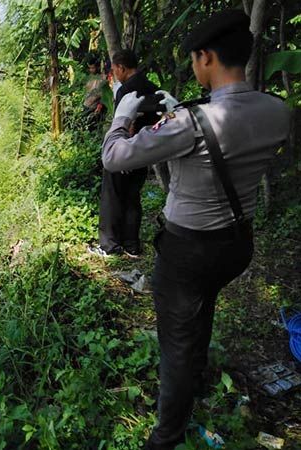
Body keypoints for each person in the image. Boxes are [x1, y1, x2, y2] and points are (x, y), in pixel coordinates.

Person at [101, 9, 290, 449]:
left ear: (206, 57)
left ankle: (166, 435)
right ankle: (197, 376)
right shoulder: (278, 112)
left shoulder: (190, 123)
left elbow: (114, 157)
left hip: (187, 252)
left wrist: (122, 112)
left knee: (176, 343)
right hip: (235, 246)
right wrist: (176, 113)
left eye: (193, 59)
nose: (192, 66)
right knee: (200, 311)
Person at [91, 49, 160, 257]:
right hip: (145, 150)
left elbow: (126, 123)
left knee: (112, 195)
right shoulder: (152, 88)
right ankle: (132, 245)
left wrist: (122, 145)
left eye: (114, 69)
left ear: (121, 68)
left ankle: (109, 246)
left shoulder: (126, 90)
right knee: (132, 197)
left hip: (124, 150)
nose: (114, 73)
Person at [82, 54, 106, 127]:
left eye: (93, 68)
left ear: (98, 67)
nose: (91, 70)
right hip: (87, 105)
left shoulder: (103, 78)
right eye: (90, 68)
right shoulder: (90, 78)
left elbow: (104, 94)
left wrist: (99, 106)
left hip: (95, 107)